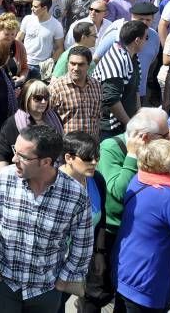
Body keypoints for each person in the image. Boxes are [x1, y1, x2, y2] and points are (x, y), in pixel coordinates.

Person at [0, 125, 93, 312]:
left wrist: (62, 283)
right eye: (15, 151)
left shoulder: (75, 194)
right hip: (4, 286)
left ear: (46, 162)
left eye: (22, 157)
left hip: (46, 292)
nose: (14, 159)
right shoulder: (1, 180)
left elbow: (82, 247)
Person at [112, 139, 170, 313]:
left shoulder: (138, 180)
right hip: (147, 283)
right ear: (168, 168)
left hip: (127, 273)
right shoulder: (168, 196)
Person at [58, 131, 109, 313]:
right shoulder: (53, 184)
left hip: (82, 261)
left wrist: (99, 253)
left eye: (96, 157)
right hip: (55, 264)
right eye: (88, 158)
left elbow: (101, 219)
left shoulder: (96, 180)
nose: (94, 162)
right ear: (68, 158)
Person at [93, 20, 147, 139]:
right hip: (110, 128)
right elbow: (111, 99)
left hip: (126, 124)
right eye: (145, 37)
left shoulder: (133, 57)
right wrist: (129, 124)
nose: (146, 41)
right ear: (137, 40)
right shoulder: (117, 60)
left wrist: (138, 116)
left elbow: (135, 90)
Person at [0, 79, 64, 168]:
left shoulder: (55, 118)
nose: (43, 102)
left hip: (52, 171)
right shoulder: (12, 124)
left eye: (46, 97)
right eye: (38, 98)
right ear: (26, 99)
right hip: (23, 173)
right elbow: (3, 156)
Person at [49, 46, 102, 139]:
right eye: (72, 64)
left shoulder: (96, 86)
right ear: (67, 64)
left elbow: (97, 118)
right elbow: (47, 120)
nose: (76, 68)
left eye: (81, 64)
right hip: (66, 147)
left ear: (88, 66)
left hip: (90, 147)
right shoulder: (55, 88)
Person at [18, 0, 65, 80]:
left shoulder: (56, 25)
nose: (32, 9)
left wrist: (50, 63)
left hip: (41, 67)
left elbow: (60, 48)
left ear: (44, 8)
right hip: (24, 63)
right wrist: (17, 57)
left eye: (35, 7)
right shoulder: (27, 19)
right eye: (32, 6)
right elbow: (18, 39)